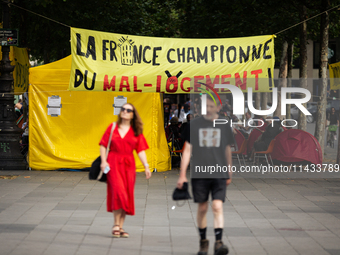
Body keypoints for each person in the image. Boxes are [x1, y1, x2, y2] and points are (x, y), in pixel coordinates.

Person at [177, 95, 233, 255]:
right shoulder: (193, 125)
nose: (208, 109)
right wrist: (182, 175)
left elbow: (227, 149)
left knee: (217, 206)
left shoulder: (224, 125)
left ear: (218, 108)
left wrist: (230, 169)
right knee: (202, 207)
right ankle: (203, 242)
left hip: (219, 172)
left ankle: (219, 242)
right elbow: (187, 150)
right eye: (205, 106)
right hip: (200, 173)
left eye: (211, 106)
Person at [99, 103, 151, 238]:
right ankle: (116, 224)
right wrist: (104, 161)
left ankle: (120, 227)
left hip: (128, 165)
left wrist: (146, 166)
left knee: (126, 195)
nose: (125, 111)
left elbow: (140, 150)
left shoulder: (136, 131)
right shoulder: (113, 127)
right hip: (114, 163)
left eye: (128, 110)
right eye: (123, 109)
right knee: (118, 192)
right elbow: (103, 145)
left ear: (133, 114)